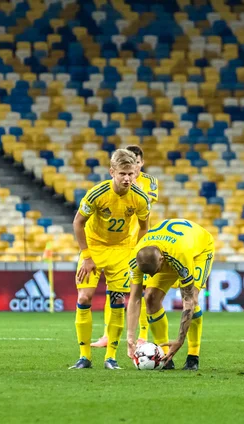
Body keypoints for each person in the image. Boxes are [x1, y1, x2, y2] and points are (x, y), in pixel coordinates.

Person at [70, 149, 151, 369]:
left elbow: (144, 227)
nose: (127, 179)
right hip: (94, 248)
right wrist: (86, 255)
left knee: (117, 301)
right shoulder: (97, 194)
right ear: (112, 172)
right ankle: (84, 357)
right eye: (123, 173)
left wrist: (136, 253)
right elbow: (78, 222)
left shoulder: (141, 198)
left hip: (122, 252)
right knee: (85, 297)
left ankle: (110, 358)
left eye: (131, 174)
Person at [91, 144, 158, 348]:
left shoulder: (149, 182)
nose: (135, 168)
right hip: (120, 240)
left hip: (139, 240)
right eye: (131, 164)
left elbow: (147, 203)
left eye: (137, 163)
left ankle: (143, 334)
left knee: (142, 288)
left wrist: (132, 185)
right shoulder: (118, 182)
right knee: (115, 290)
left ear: (142, 163)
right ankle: (107, 333)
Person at [126, 219, 214, 371]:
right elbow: (134, 299)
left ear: (161, 260)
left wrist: (180, 340)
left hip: (198, 252)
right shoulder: (135, 258)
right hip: (169, 249)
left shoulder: (180, 255)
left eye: (157, 270)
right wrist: (130, 336)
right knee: (150, 298)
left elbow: (188, 301)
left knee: (193, 297)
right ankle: (165, 358)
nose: (155, 275)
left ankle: (193, 356)